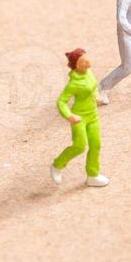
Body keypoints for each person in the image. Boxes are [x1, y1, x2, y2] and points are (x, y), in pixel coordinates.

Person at [51, 48, 109, 187]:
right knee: (79, 146)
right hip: (79, 117)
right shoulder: (74, 84)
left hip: (93, 116)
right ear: (76, 65)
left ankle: (93, 175)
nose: (88, 62)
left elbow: (93, 86)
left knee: (96, 145)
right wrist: (69, 115)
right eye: (83, 61)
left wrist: (96, 97)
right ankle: (57, 165)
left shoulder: (89, 73)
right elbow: (61, 101)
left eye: (87, 59)